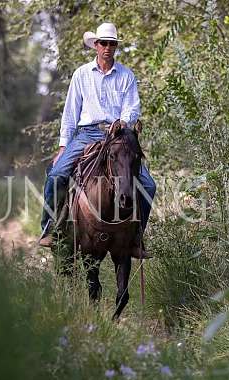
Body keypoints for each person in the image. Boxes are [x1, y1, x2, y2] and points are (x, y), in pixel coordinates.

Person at [39, 22, 156, 256]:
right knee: (56, 175)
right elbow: (70, 112)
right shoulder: (81, 74)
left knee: (149, 185)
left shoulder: (126, 75)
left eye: (112, 44)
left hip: (117, 136)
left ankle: (136, 237)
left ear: (115, 47)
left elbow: (132, 108)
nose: (107, 48)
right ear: (96, 45)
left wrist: (123, 122)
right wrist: (64, 145)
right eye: (103, 43)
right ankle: (50, 228)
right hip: (87, 134)